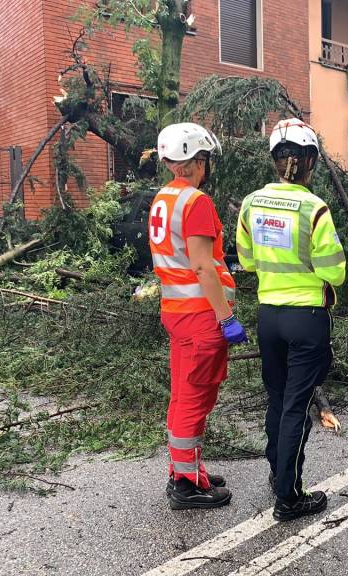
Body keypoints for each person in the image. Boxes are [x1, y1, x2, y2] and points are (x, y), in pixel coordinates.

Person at [236, 118, 346, 522]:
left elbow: (246, 260)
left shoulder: (251, 203)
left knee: (278, 399)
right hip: (307, 318)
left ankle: (276, 472)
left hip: (269, 317)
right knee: (297, 406)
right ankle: (289, 495)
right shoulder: (315, 209)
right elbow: (334, 271)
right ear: (309, 161)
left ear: (275, 160)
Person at [149, 123, 247, 510]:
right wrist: (226, 319)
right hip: (200, 315)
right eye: (205, 159)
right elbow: (204, 267)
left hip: (175, 312)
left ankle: (184, 467)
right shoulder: (196, 202)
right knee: (196, 396)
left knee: (182, 393)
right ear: (194, 162)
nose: (207, 167)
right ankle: (187, 484)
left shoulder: (164, 199)